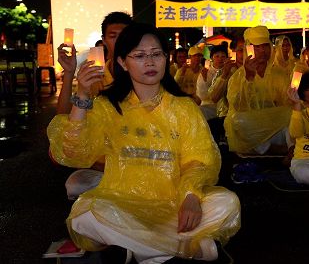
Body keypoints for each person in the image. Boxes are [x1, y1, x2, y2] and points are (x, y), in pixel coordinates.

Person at [47, 23, 241, 263]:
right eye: (139, 56)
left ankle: (137, 248)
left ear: (165, 58)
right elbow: (73, 150)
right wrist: (83, 96)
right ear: (122, 63)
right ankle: (190, 248)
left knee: (227, 203)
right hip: (122, 202)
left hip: (175, 203)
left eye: (156, 54)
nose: (150, 62)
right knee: (84, 215)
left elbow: (201, 159)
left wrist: (191, 196)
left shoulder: (184, 108)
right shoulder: (109, 107)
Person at [54, 11, 133, 200]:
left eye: (125, 36)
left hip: (138, 151)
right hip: (106, 158)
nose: (120, 41)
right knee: (74, 184)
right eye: (113, 36)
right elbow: (63, 117)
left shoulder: (143, 71)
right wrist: (69, 73)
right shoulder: (95, 74)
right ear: (104, 41)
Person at [224, 25, 292, 156]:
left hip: (273, 126)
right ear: (248, 49)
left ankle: (287, 150)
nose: (262, 51)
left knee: (292, 114)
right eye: (257, 46)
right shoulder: (238, 76)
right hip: (251, 128)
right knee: (237, 121)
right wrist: (248, 79)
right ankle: (269, 149)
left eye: (265, 46)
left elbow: (288, 102)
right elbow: (236, 105)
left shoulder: (279, 74)